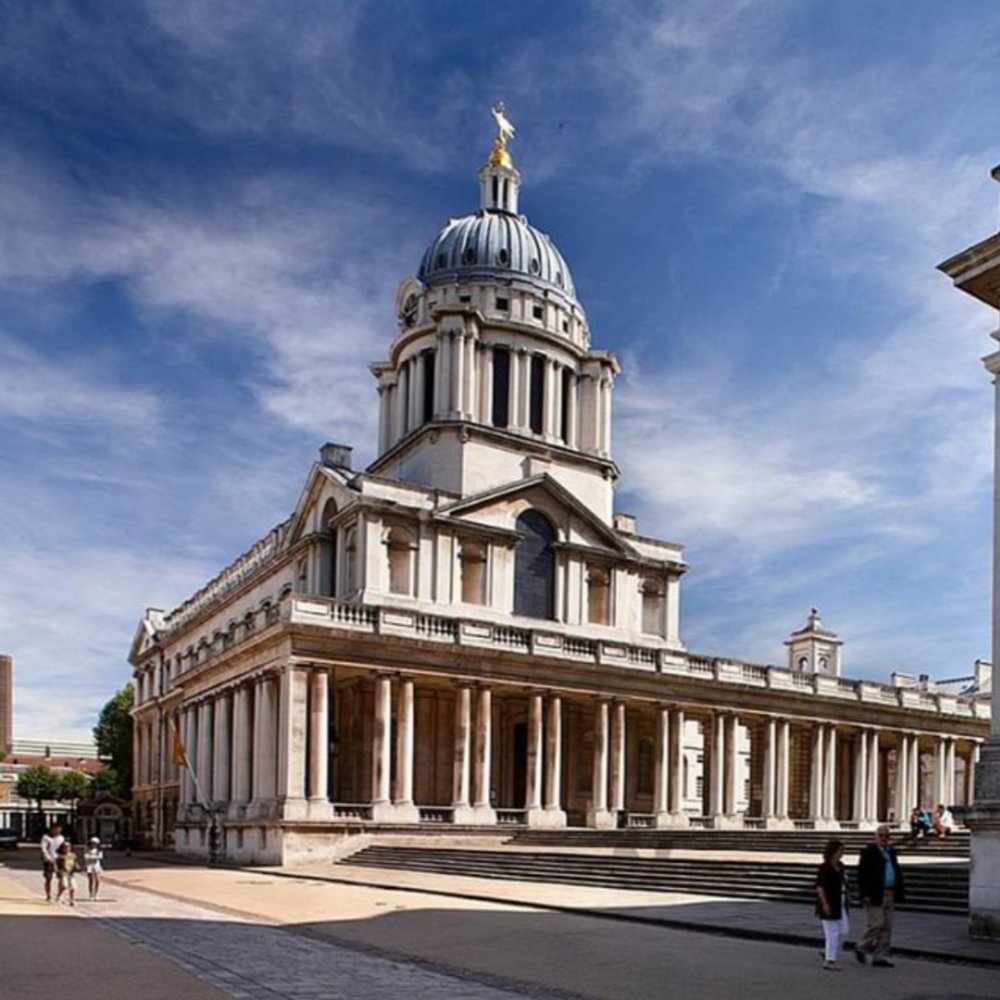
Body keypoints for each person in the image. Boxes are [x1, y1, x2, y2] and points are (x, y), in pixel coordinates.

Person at [856, 825, 905, 967]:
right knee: (877, 923)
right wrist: (864, 893)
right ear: (875, 837)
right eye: (881, 835)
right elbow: (862, 874)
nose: (884, 838)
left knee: (887, 925)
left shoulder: (892, 852)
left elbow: (896, 870)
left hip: (890, 891)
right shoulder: (868, 852)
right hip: (875, 893)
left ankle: (881, 956)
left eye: (886, 836)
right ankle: (862, 945)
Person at [815, 838, 850, 971]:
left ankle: (829, 950)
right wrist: (825, 904)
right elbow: (820, 887)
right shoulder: (825, 868)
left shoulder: (840, 866)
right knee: (832, 932)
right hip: (829, 901)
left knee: (844, 930)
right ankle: (830, 960)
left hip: (840, 900)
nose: (842, 853)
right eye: (840, 851)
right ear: (833, 852)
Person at [40, 822, 64, 902]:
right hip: (48, 860)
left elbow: (63, 849)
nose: (57, 830)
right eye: (56, 829)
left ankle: (59, 895)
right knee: (48, 878)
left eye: (59, 829)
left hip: (59, 859)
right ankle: (48, 895)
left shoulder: (61, 838)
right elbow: (44, 849)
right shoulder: (46, 838)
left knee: (62, 877)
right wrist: (48, 858)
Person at [55, 841, 78, 907]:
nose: (67, 848)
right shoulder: (60, 856)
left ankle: (72, 900)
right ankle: (59, 895)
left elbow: (75, 863)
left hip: (71, 872)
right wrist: (58, 871)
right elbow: (57, 865)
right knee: (64, 885)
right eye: (65, 847)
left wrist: (77, 867)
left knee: (73, 887)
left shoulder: (73, 855)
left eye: (68, 847)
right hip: (63, 872)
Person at [84, 837, 104, 901]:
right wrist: (94, 857)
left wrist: (92, 857)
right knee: (91, 880)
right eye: (93, 843)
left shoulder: (99, 850)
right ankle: (91, 894)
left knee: (97, 880)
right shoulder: (87, 849)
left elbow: (100, 857)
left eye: (95, 843)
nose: (94, 844)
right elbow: (86, 857)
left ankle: (96, 894)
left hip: (96, 866)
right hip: (89, 866)